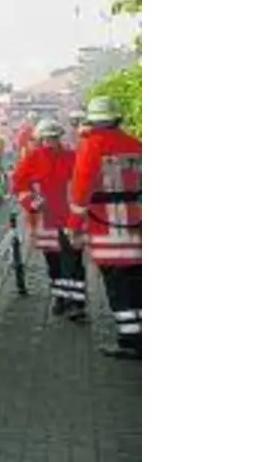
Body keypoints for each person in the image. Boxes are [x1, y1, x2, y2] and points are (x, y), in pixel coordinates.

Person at [66, 95, 142, 359]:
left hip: (106, 229)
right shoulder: (136, 144)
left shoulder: (91, 146)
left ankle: (129, 340)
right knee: (137, 283)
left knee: (117, 286)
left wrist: (73, 226)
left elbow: (80, 191)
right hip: (137, 227)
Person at [10, 119, 87, 320]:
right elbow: (18, 186)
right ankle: (61, 298)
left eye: (53, 138)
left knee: (73, 262)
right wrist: (32, 202)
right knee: (54, 263)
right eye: (46, 138)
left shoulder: (72, 157)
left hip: (71, 219)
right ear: (40, 139)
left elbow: (85, 184)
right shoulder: (32, 159)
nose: (49, 142)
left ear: (59, 138)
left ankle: (76, 304)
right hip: (44, 220)